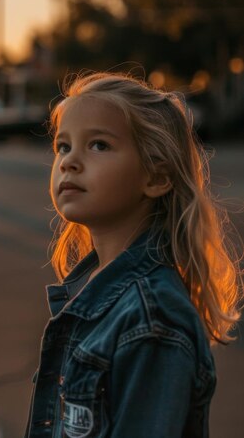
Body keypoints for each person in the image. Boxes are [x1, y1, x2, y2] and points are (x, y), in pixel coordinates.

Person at [24, 72, 242, 438]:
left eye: (98, 146)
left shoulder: (152, 319)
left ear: (156, 178)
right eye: (63, 146)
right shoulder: (91, 286)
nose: (69, 162)